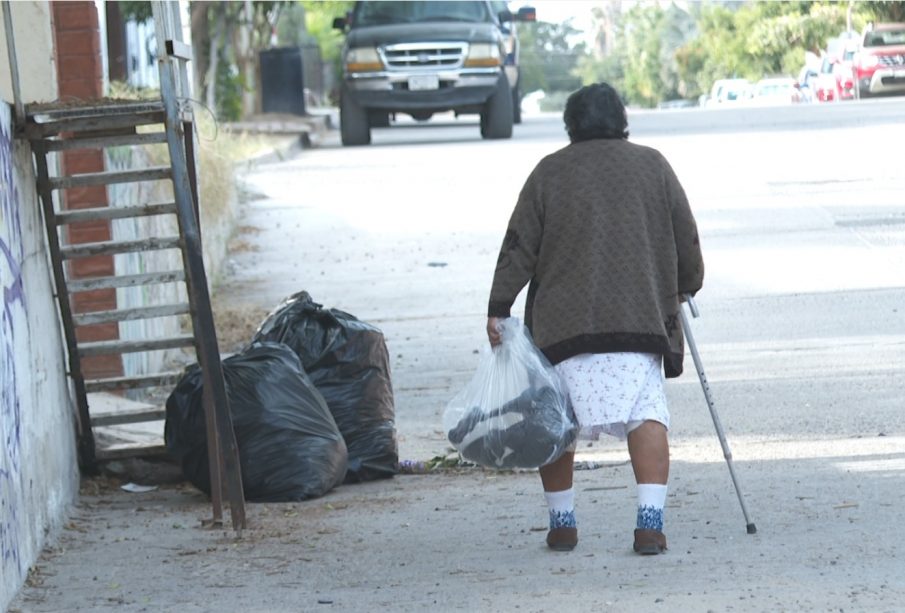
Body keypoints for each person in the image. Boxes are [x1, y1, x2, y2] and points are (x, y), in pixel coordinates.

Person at [486, 82, 704, 555]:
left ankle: (563, 523)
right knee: (645, 414)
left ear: (571, 127)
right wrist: (689, 282)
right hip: (640, 320)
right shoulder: (654, 166)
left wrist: (498, 307)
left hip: (563, 328)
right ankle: (650, 525)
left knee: (558, 422)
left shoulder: (549, 173)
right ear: (622, 121)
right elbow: (685, 235)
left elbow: (519, 245)